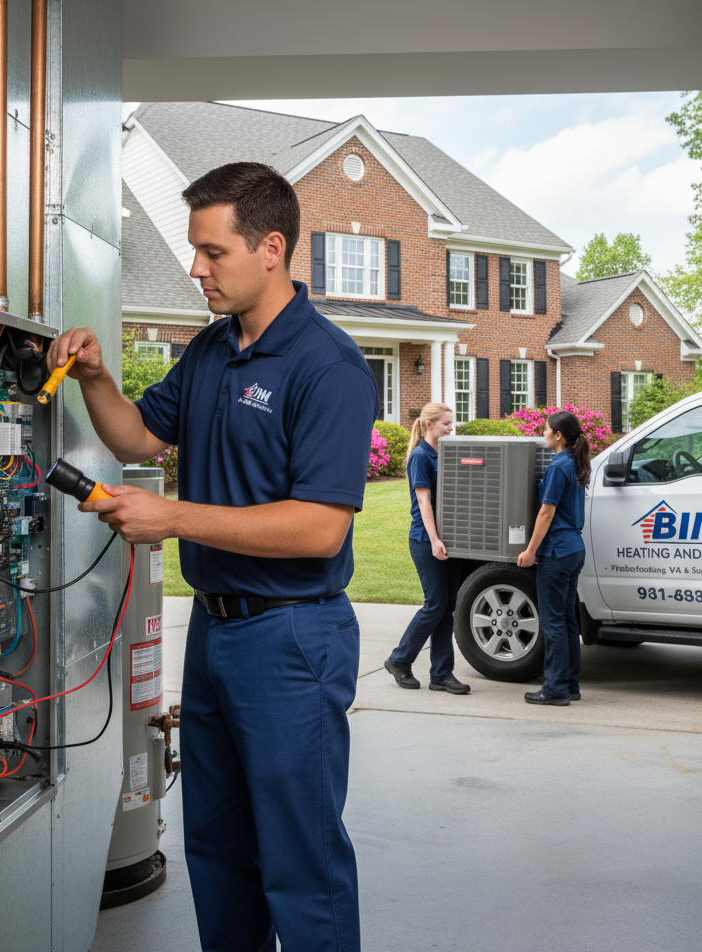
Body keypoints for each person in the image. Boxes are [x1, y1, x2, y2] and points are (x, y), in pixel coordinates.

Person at [45, 162, 378, 952]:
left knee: (301, 861)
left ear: (271, 247)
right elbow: (135, 436)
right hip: (219, 635)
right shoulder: (210, 351)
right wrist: (94, 378)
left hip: (294, 639)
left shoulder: (328, 366)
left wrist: (175, 518)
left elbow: (319, 529)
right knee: (218, 853)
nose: (196, 268)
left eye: (211, 252)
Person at [383, 403, 470, 695]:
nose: (450, 428)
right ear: (429, 425)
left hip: (450, 540)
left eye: (452, 423)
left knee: (447, 607)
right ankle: (399, 659)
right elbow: (424, 503)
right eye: (446, 423)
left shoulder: (444, 452)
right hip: (426, 540)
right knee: (435, 605)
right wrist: (434, 540)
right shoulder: (421, 456)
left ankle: (441, 675)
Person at [516, 410, 591, 707]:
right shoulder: (573, 462)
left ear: (558, 435)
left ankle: (556, 688)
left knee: (553, 621)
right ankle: (570, 684)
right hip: (574, 549)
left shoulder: (558, 466)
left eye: (546, 429)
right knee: (568, 620)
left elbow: (546, 512)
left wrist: (530, 550)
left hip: (557, 551)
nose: (543, 433)